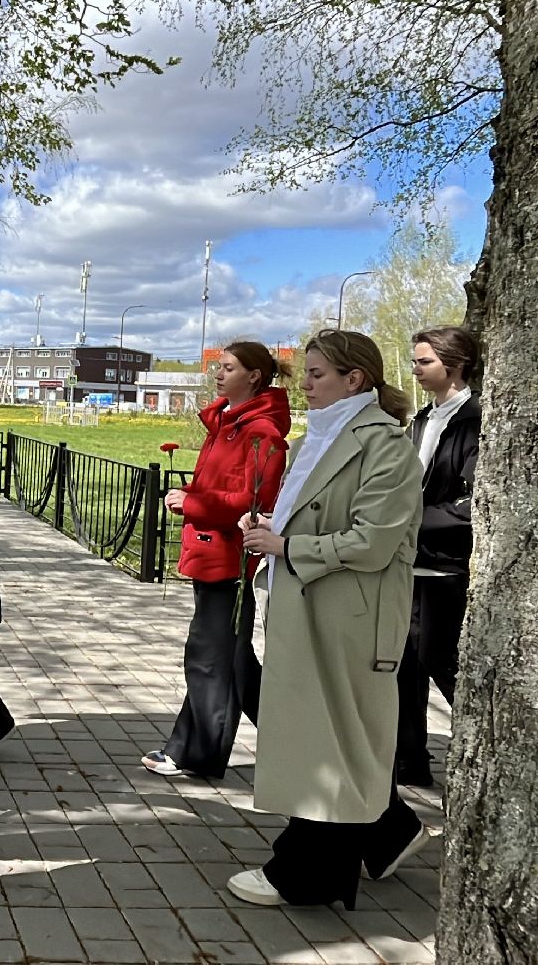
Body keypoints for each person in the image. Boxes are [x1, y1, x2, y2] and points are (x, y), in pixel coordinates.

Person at [230, 329, 427, 909]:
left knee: (331, 742)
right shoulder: (326, 435)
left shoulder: (383, 443)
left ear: (355, 380)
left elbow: (371, 541)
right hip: (315, 607)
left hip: (349, 617)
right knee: (328, 739)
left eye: (317, 374)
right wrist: (271, 530)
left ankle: (307, 874)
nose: (306, 384)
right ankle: (388, 834)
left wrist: (286, 545)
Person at [141, 342, 290, 779]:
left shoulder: (260, 431)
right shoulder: (227, 423)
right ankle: (295, 739)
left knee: (212, 655)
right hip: (211, 552)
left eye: (228, 368)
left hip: (230, 556)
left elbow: (256, 501)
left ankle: (198, 755)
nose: (218, 375)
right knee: (230, 659)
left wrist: (194, 502)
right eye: (218, 368)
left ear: (255, 376)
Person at [395, 326, 480, 787]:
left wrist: (414, 520)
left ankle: (480, 748)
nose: (415, 369)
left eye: (424, 361)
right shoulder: (422, 420)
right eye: (414, 361)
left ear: (456, 363)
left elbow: (476, 502)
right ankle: (409, 759)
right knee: (404, 660)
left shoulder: (477, 420)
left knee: (439, 657)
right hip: (411, 558)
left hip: (448, 563)